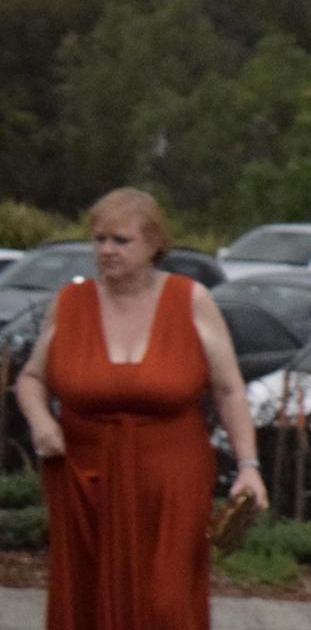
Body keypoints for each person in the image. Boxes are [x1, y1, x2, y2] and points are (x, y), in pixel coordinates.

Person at [14, 187, 268, 630]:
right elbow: (32, 378)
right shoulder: (69, 303)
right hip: (82, 476)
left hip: (171, 480)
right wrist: (40, 422)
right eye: (99, 239)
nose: (107, 250)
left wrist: (248, 465)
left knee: (166, 601)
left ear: (154, 245)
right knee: (86, 596)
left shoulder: (191, 301)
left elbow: (228, 391)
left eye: (121, 240)